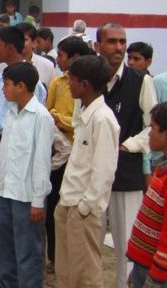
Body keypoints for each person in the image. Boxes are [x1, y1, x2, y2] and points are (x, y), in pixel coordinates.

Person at [0, 26, 47, 288]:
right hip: (3, 174)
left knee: (27, 242)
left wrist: (38, 198)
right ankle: (3, 280)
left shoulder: (37, 112)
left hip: (26, 184)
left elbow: (40, 158)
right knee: (2, 237)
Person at [96, 23, 158, 288]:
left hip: (127, 173)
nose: (119, 47)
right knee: (91, 243)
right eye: (112, 41)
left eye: (123, 41)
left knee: (126, 247)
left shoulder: (141, 80)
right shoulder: (90, 78)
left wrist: (128, 146)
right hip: (94, 175)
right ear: (98, 46)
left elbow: (152, 126)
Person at [54, 55, 120, 287]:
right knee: (66, 273)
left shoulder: (103, 119)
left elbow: (104, 171)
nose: (68, 84)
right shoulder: (84, 113)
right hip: (68, 203)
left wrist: (85, 207)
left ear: (85, 85)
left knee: (85, 276)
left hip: (82, 209)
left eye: (71, 80)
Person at [0, 62, 53, 288]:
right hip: (6, 191)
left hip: (27, 197)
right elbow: (4, 154)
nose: (3, 89)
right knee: (4, 249)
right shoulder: (11, 113)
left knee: (27, 252)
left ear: (21, 86)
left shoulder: (40, 117)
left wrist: (38, 200)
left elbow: (41, 161)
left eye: (7, 84)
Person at [44, 35, 94, 272]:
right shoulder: (57, 82)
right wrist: (59, 120)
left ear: (74, 58)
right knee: (54, 205)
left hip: (79, 154)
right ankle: (54, 257)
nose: (58, 60)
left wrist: (60, 118)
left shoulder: (88, 85)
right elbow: (47, 114)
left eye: (61, 55)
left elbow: (78, 123)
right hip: (59, 155)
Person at [126, 99, 167, 288]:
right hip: (146, 266)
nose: (148, 134)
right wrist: (139, 267)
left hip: (162, 276)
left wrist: (155, 278)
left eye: (153, 128)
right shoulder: (164, 169)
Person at [15, 22, 55, 88]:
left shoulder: (48, 66)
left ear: (34, 42)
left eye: (25, 39)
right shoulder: (0, 65)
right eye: (16, 39)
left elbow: (50, 95)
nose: (20, 42)